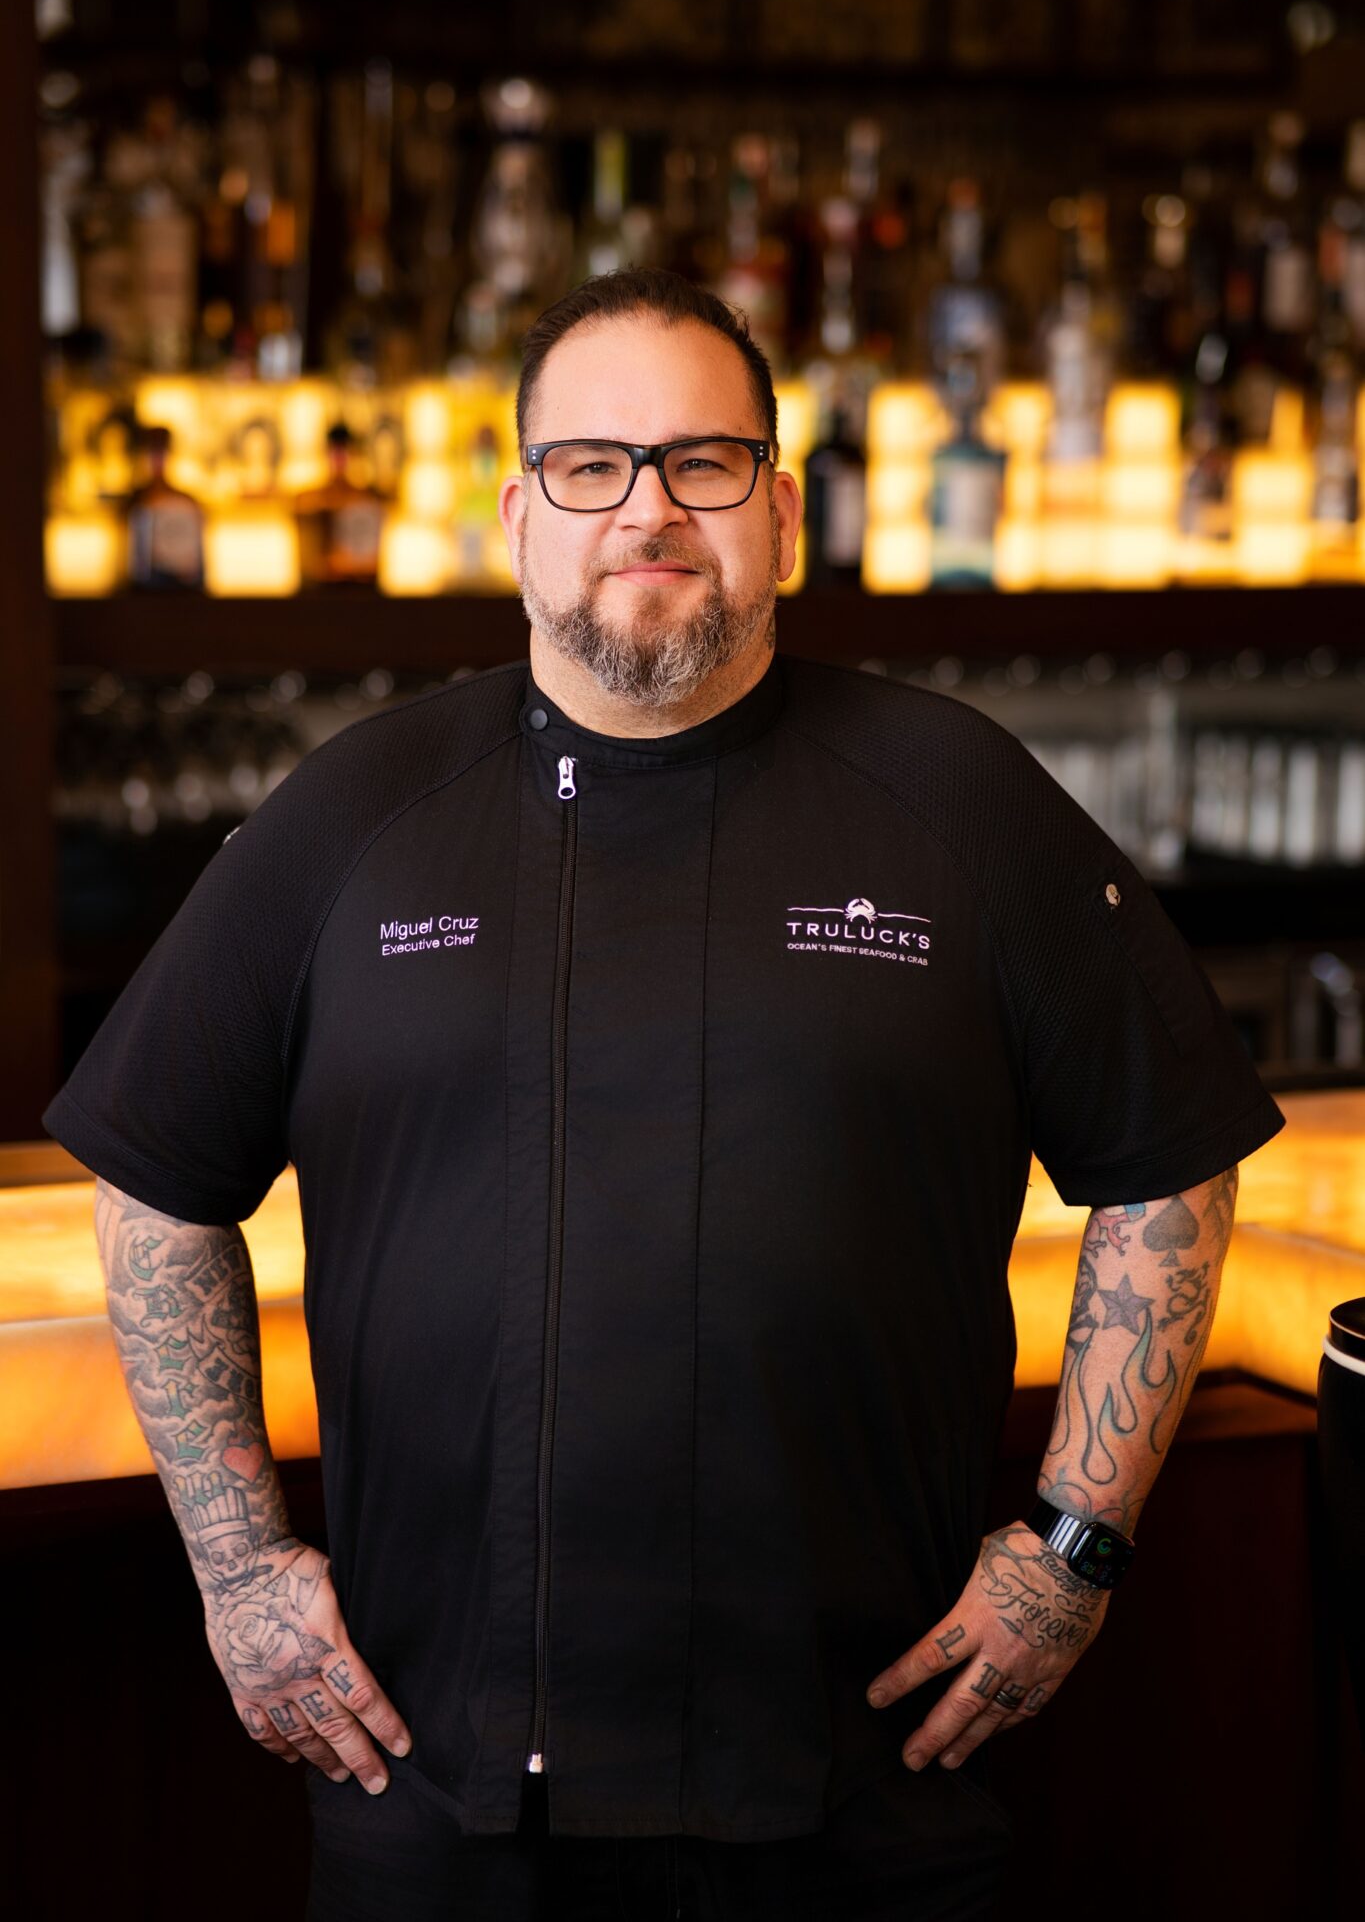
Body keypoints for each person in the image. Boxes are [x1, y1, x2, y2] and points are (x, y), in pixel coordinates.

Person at [43, 267, 1286, 1920]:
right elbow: (152, 1169)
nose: (647, 508)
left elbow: (1169, 1160)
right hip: (434, 1788)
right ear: (516, 517)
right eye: (591, 466)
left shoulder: (954, 798)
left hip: (867, 1780)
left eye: (703, 463)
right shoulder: (355, 813)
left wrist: (1073, 1550)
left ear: (779, 513)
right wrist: (237, 1567)